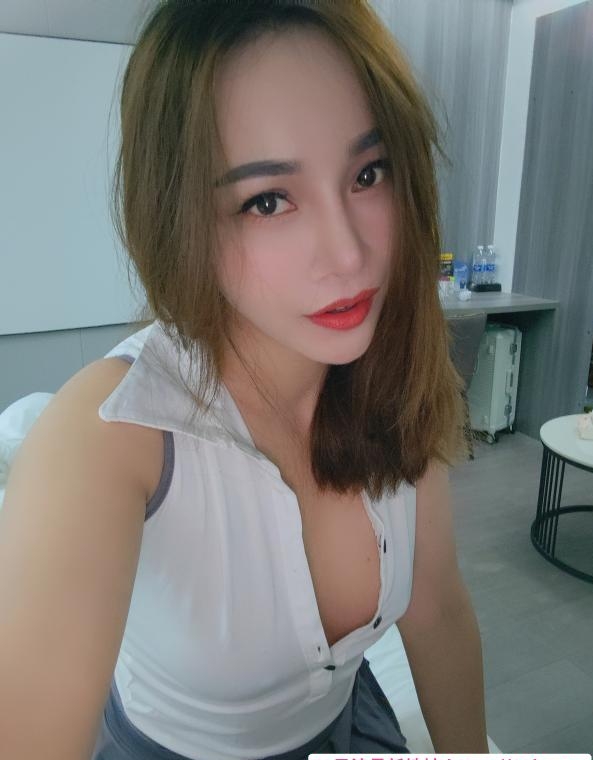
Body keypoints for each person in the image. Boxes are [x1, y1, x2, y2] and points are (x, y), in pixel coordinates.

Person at [0, 1, 490, 758]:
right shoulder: (111, 434)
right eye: (268, 200)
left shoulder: (392, 376)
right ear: (182, 221)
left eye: (368, 173)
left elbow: (437, 609)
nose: (349, 254)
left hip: (345, 723)